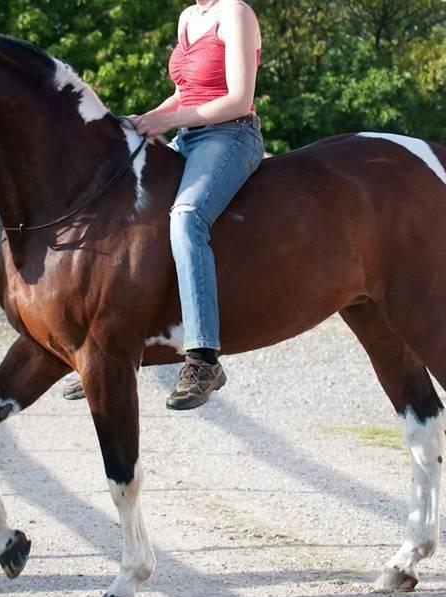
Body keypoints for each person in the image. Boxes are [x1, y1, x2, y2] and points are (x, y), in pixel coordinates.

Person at [132, 0, 264, 410]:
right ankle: (122, 348)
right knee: (133, 212)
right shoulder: (189, 17)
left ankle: (204, 359)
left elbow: (239, 100)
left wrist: (168, 122)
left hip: (230, 136)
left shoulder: (236, 13)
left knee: (187, 220)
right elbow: (182, 93)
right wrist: (144, 119)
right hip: (188, 137)